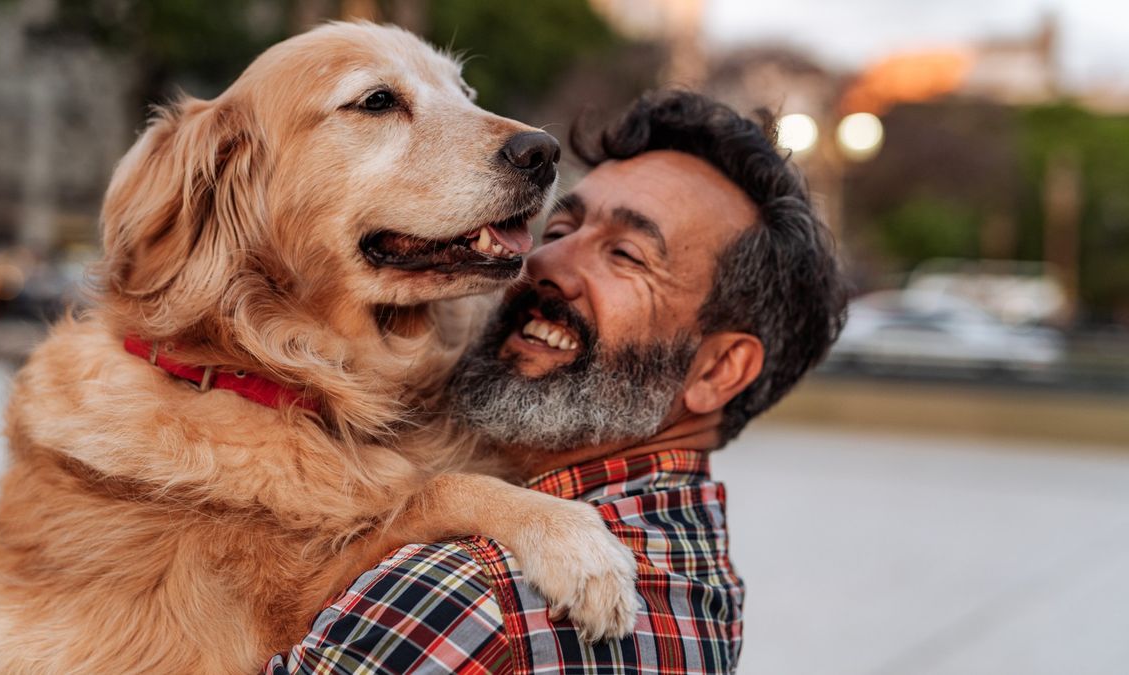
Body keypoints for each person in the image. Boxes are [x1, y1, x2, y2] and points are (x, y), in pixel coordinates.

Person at [266, 90, 846, 674]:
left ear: (720, 370)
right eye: (560, 227)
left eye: (626, 254)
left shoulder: (480, 594)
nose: (544, 263)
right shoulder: (694, 576)